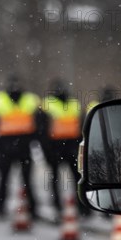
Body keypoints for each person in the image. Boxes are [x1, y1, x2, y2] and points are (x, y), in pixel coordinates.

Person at [0, 75, 42, 221]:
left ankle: (31, 209)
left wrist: (36, 141)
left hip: (21, 147)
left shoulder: (30, 100)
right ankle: (2, 208)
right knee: (5, 180)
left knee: (25, 181)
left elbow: (38, 123)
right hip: (7, 148)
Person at [39, 78, 90, 222]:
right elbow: (42, 131)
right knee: (58, 179)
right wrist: (46, 150)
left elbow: (82, 128)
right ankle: (59, 207)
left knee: (76, 179)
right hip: (56, 148)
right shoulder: (47, 105)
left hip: (70, 148)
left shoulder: (74, 104)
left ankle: (81, 207)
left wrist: (80, 147)